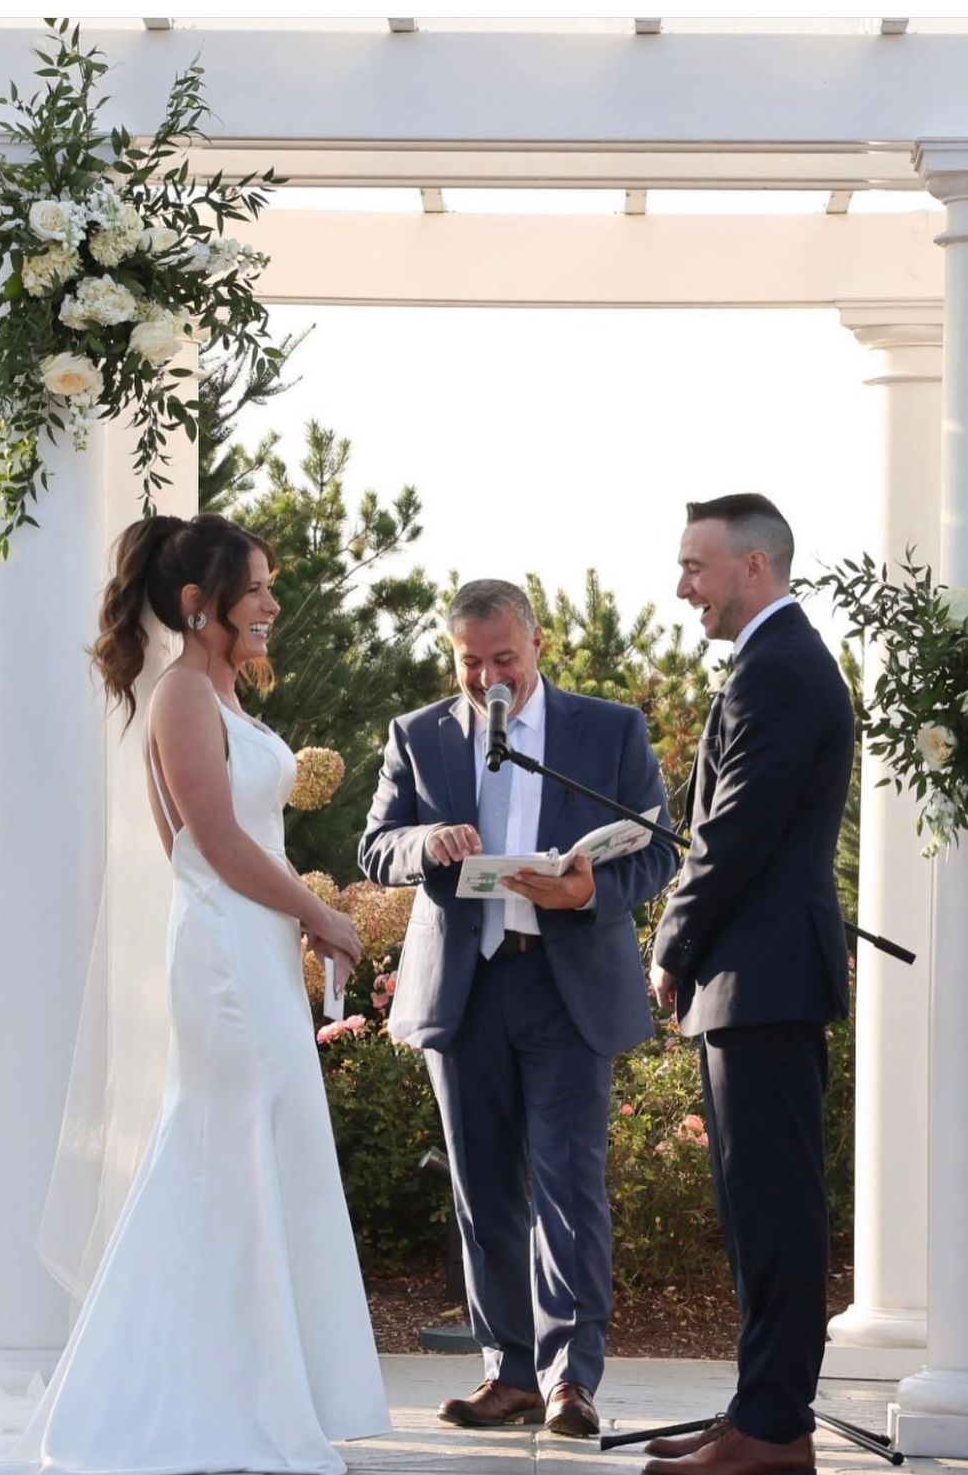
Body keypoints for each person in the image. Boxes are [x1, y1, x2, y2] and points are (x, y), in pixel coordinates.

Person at [10, 513, 389, 1473]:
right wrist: (321, 914)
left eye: (267, 585)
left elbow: (227, 843)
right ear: (198, 602)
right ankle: (185, 1396)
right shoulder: (181, 695)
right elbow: (209, 844)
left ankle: (248, 1384)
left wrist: (288, 917)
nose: (270, 604)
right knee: (221, 1151)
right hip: (225, 958)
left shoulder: (222, 699)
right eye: (254, 587)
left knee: (258, 1153)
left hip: (249, 946)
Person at [358, 579, 678, 1437]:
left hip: (563, 981)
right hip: (465, 988)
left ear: (537, 644)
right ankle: (506, 1372)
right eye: (470, 662)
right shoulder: (417, 735)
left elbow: (656, 852)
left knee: (568, 1181)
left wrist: (584, 890)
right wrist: (423, 841)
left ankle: (571, 1376)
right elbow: (375, 841)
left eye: (503, 657)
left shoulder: (608, 729)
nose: (487, 677)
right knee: (481, 1186)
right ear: (452, 655)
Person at [646, 495, 854, 1475]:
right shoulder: (769, 664)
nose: (681, 585)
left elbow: (731, 834)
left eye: (695, 565)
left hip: (758, 977)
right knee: (754, 1211)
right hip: (752, 980)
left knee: (773, 1211)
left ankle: (771, 1431)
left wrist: (669, 944)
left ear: (753, 569)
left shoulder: (778, 669)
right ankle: (755, 1411)